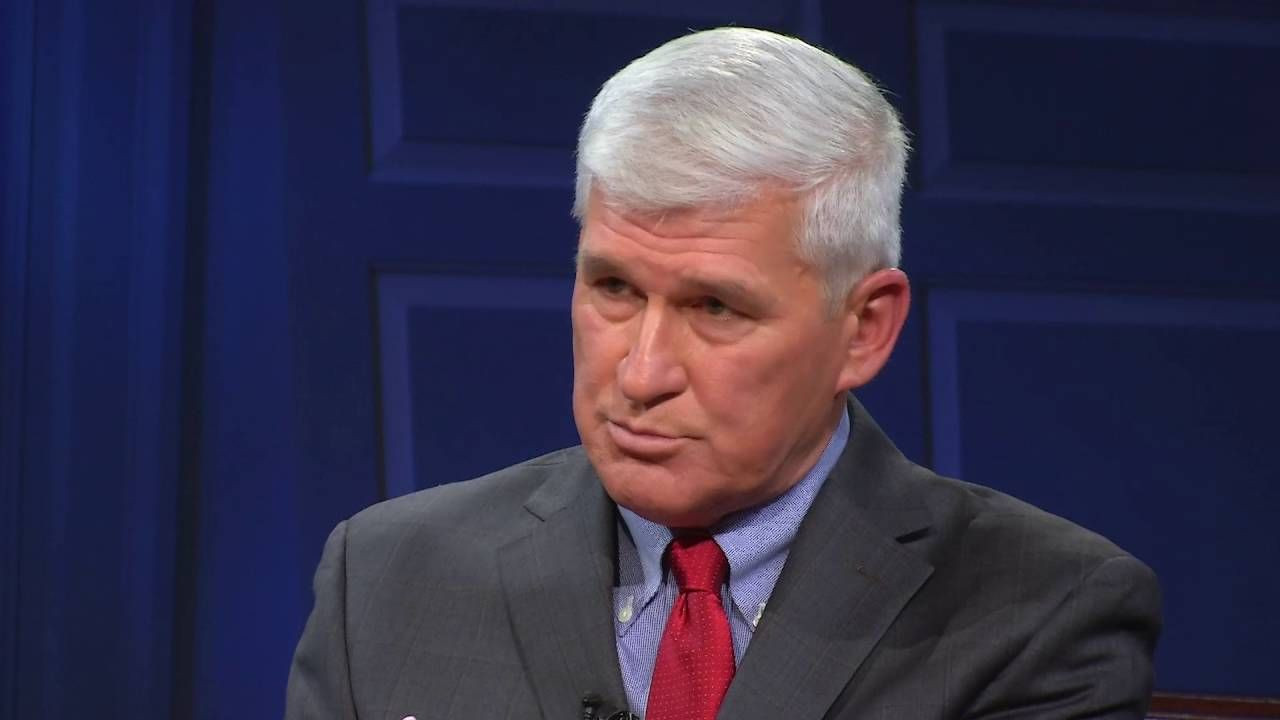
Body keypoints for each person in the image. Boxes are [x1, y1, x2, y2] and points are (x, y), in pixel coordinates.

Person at [285, 27, 1161, 720]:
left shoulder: (1039, 611)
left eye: (715, 307)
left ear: (864, 328)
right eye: (613, 288)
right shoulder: (387, 577)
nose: (641, 374)